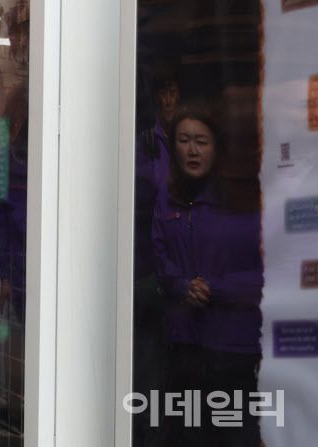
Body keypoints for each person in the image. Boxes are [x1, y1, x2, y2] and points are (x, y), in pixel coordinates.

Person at [152, 102, 263, 447]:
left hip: (233, 346)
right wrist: (181, 285)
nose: (193, 150)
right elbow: (158, 254)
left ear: (217, 146)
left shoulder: (243, 201)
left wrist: (215, 289)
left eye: (201, 141)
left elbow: (266, 272)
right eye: (184, 140)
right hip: (183, 344)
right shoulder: (167, 195)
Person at [132, 64, 181, 447]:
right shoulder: (145, 144)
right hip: (148, 269)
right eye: (163, 91)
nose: (169, 99)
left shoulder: (192, 141)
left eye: (174, 91)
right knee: (148, 365)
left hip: (183, 267)